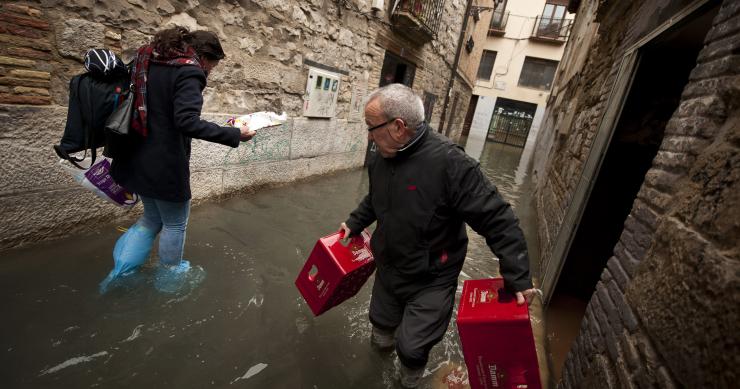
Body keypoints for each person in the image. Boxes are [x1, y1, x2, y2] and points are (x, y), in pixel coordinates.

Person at [339, 84, 537, 388]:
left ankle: (408, 382)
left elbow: (498, 219)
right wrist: (355, 222)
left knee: (412, 348)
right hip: (390, 268)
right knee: (380, 331)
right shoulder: (381, 155)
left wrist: (517, 275)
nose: (368, 135)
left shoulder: (451, 164)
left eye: (371, 127)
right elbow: (376, 198)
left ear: (397, 127)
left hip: (431, 278)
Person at [100, 27, 256, 293]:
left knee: (151, 219)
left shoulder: (147, 59)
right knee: (174, 222)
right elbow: (186, 121)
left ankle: (119, 273)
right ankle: (169, 282)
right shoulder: (190, 71)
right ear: (205, 57)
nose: (211, 70)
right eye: (213, 65)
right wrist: (235, 134)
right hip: (163, 162)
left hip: (135, 154)